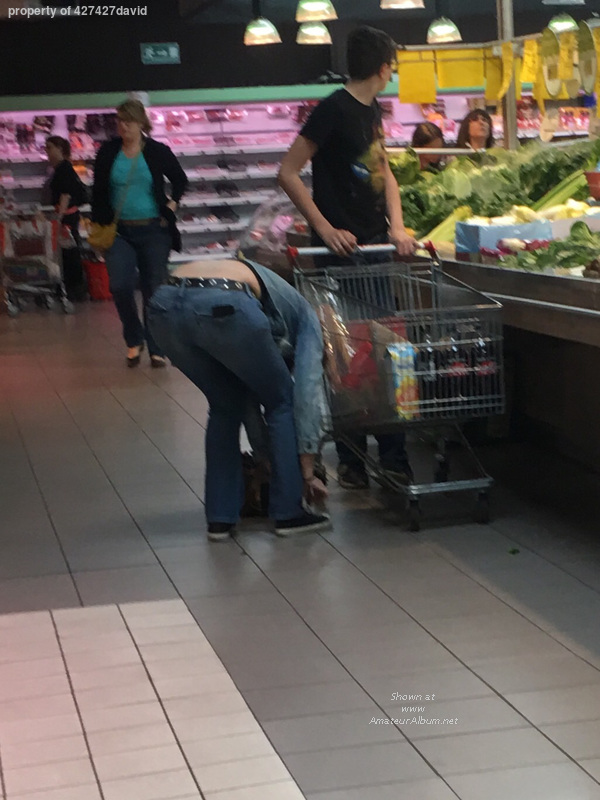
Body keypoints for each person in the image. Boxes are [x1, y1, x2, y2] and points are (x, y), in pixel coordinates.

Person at [278, 25, 417, 490]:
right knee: (351, 360)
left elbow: (384, 170)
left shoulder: (371, 109)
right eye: (393, 64)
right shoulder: (332, 110)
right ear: (383, 67)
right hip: (342, 257)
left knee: (385, 355)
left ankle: (391, 458)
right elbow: (288, 172)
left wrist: (397, 227)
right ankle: (356, 460)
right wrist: (325, 228)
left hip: (376, 249)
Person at [147, 257, 330, 542]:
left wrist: (264, 457)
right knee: (282, 400)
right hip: (224, 301)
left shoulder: (270, 295)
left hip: (163, 305)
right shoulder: (308, 318)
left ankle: (219, 519)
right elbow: (306, 396)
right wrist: (306, 472)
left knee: (225, 404)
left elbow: (247, 399)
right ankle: (288, 513)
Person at [91, 99, 188, 368]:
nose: (123, 126)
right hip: (119, 231)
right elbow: (98, 190)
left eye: (129, 121)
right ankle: (134, 338)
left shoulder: (157, 151)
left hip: (154, 229)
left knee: (153, 289)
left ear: (141, 123)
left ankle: (157, 347)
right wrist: (97, 223)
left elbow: (180, 179)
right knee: (120, 285)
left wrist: (171, 205)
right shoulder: (108, 152)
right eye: (120, 120)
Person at [44, 136, 88, 301]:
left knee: (68, 253)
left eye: (50, 147)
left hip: (66, 218)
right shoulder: (62, 168)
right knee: (68, 252)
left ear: (60, 149)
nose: (47, 152)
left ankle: (73, 288)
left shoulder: (63, 170)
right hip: (68, 217)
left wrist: (58, 218)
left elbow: (65, 195)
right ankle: (72, 288)